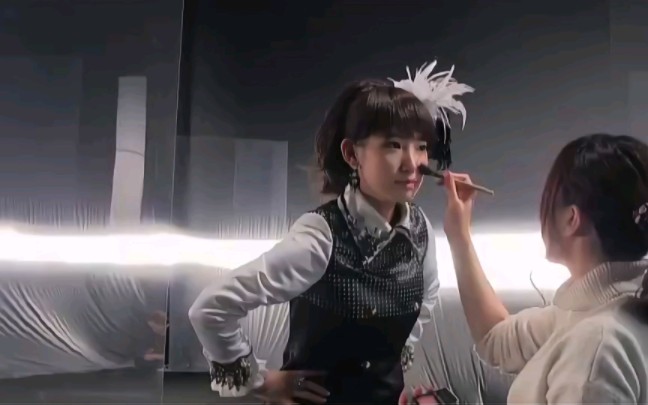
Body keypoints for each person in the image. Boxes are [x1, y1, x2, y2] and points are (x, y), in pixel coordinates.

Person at [188, 61, 473, 404]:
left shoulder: (420, 229)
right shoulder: (321, 237)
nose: (413, 163)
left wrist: (394, 363)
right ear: (352, 154)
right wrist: (260, 381)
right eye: (393, 145)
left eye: (421, 146)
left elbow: (425, 301)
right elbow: (211, 308)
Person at [443, 133, 648, 404]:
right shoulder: (597, 310)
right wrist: (459, 237)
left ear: (571, 219)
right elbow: (495, 338)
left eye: (548, 199)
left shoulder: (597, 346)